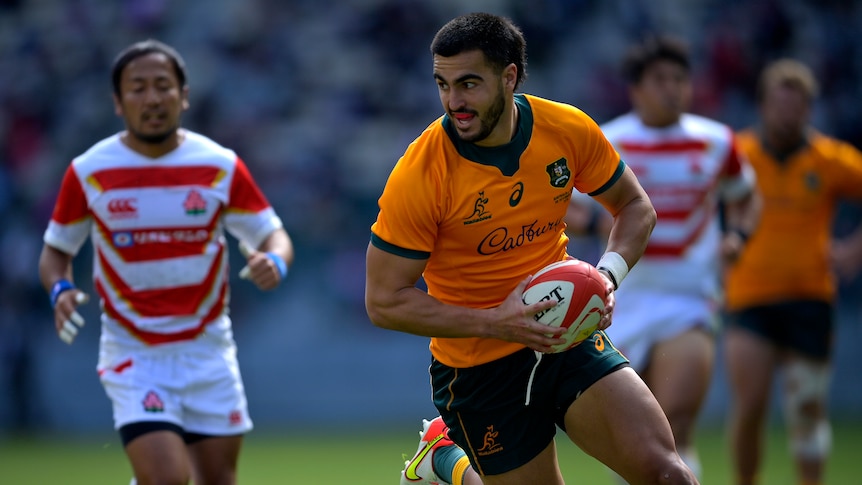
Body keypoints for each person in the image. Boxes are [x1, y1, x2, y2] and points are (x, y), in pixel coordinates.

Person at [365, 13, 698, 485]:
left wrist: (605, 278)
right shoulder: (420, 174)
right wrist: (495, 321)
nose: (453, 102)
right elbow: (382, 301)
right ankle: (447, 459)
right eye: (443, 84)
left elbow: (635, 207)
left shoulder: (565, 128)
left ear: (510, 76)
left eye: (469, 84)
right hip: (479, 370)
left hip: (566, 337)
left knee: (670, 476)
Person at [37, 39, 294, 485]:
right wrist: (59, 288)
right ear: (118, 102)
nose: (152, 98)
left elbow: (273, 233)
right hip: (135, 354)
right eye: (137, 88)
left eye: (163, 86)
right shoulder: (88, 171)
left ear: (184, 95)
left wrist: (276, 260)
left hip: (209, 350)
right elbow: (56, 251)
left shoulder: (220, 165)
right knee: (168, 478)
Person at [570, 35, 761, 483]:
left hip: (688, 299)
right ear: (636, 89)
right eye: (660, 80)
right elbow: (564, 202)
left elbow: (747, 197)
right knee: (634, 440)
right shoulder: (607, 139)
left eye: (680, 79)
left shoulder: (715, 140)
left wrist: (737, 235)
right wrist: (593, 225)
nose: (672, 89)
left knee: (675, 423)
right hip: (620, 303)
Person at [723, 59, 862, 485]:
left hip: (810, 297)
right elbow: (696, 199)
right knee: (750, 408)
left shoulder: (831, 159)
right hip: (749, 296)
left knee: (807, 407)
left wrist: (855, 250)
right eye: (779, 104)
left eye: (796, 105)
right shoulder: (736, 154)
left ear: (809, 109)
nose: (788, 113)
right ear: (762, 105)